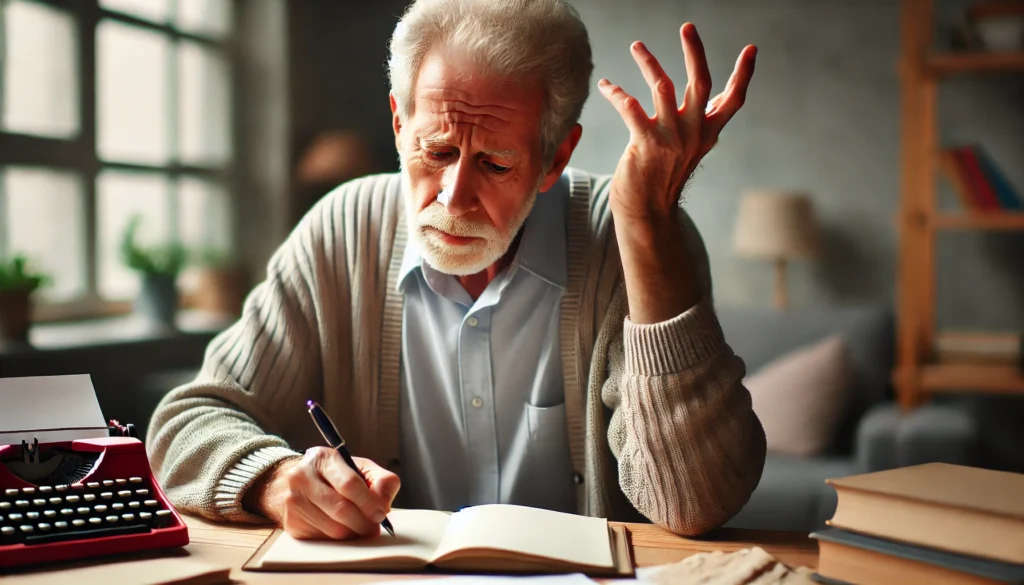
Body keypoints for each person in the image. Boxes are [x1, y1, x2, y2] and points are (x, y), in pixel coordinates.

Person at [146, 0, 766, 541]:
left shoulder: (638, 235)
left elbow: (695, 503)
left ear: (556, 157)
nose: (453, 196)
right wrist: (275, 480)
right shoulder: (341, 230)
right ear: (398, 123)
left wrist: (646, 224)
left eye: (495, 164)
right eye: (437, 151)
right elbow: (183, 427)